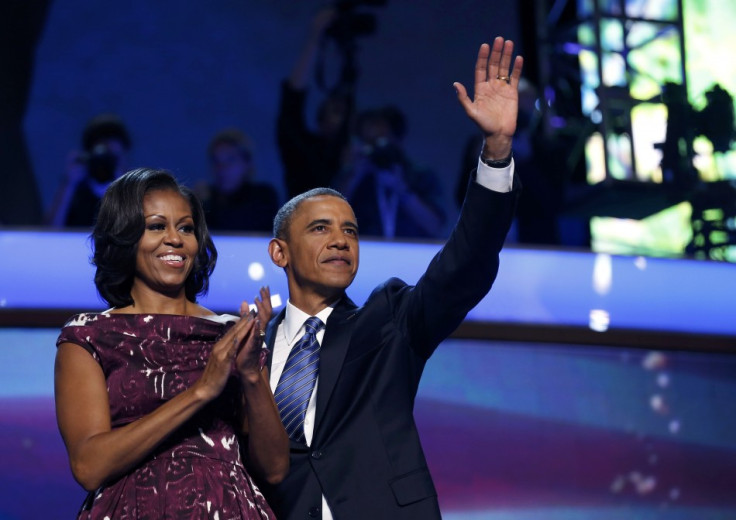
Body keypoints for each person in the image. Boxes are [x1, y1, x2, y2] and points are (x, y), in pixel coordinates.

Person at [259, 36, 524, 519]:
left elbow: (466, 262)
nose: (341, 240)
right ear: (280, 252)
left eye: (351, 231)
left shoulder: (388, 321)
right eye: (320, 229)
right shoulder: (247, 348)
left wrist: (496, 150)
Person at [54, 168, 289, 518]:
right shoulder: (89, 336)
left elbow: (274, 469)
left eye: (186, 228)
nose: (175, 239)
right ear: (124, 236)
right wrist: (200, 391)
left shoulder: (231, 334)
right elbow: (89, 467)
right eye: (156, 226)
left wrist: (251, 375)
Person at [276, 7, 354, 200]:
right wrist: (315, 37)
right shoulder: (303, 152)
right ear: (321, 118)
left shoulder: (362, 155)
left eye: (346, 113)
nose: (342, 118)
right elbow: (293, 99)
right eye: (336, 111)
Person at [335, 104, 446, 239]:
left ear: (397, 140)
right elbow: (330, 216)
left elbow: (435, 226)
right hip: (364, 253)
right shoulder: (354, 177)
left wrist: (403, 191)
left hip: (412, 255)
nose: (376, 149)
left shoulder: (420, 176)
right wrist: (353, 175)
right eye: (369, 143)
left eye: (382, 141)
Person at [46, 113, 133, 228]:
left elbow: (138, 232)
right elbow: (49, 232)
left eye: (113, 159)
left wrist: (123, 186)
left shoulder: (135, 192)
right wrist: (69, 184)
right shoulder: (76, 192)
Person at [197, 128, 280, 232]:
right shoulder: (206, 198)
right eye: (216, 161)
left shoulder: (263, 197)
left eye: (230, 160)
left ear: (246, 163)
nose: (222, 168)